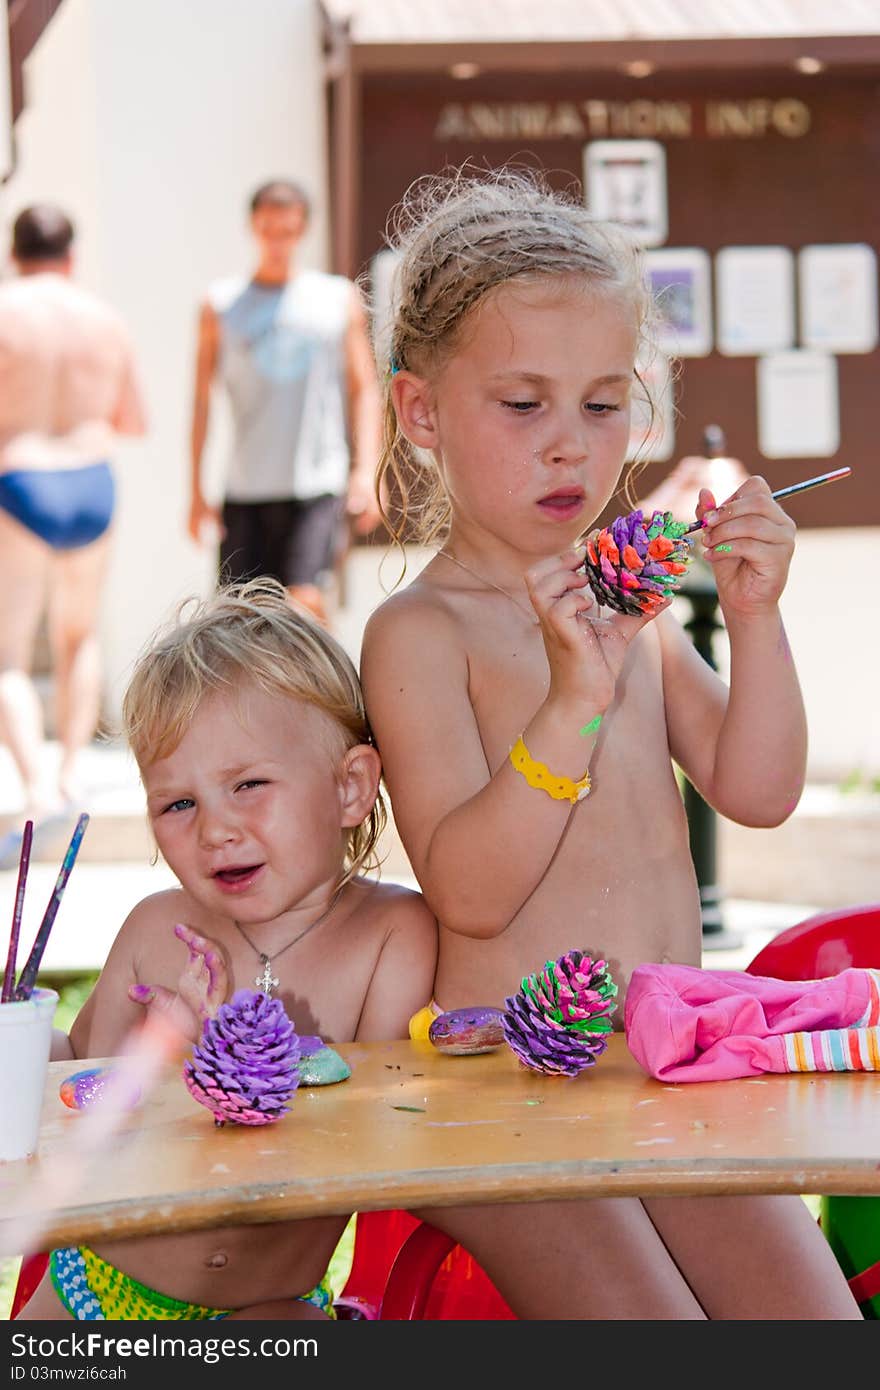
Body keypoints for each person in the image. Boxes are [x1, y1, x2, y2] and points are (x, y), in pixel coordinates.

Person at [359, 169, 860, 1319]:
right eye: (522, 404)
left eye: (599, 405)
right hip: (509, 1091)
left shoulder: (618, 600)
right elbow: (474, 893)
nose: (568, 449)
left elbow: (758, 788)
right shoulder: (418, 631)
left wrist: (754, 615)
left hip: (668, 1062)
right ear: (422, 412)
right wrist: (572, 699)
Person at [17, 579, 436, 1320]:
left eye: (248, 784)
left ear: (350, 787)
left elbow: (377, 1137)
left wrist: (227, 1065)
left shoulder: (391, 938)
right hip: (94, 1290)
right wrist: (21, 1038)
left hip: (268, 1304)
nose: (215, 829)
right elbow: (73, 1086)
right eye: (178, 804)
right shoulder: (155, 932)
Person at [0, 204, 147, 858]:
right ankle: (70, 775)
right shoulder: (104, 319)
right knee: (77, 634)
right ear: (71, 254)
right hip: (91, 481)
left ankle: (36, 789)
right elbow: (133, 419)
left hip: (21, 476)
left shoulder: (6, 312)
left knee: (7, 652)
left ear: (14, 252)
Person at [188, 179, 383, 627]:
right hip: (246, 488)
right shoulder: (221, 306)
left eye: (288, 230)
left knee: (304, 603)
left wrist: (367, 470)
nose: (278, 241)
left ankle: (328, 694)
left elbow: (364, 387)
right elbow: (201, 400)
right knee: (238, 621)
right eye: (268, 229)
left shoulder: (335, 298)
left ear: (303, 231)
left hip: (316, 484)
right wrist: (196, 490)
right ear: (253, 227)